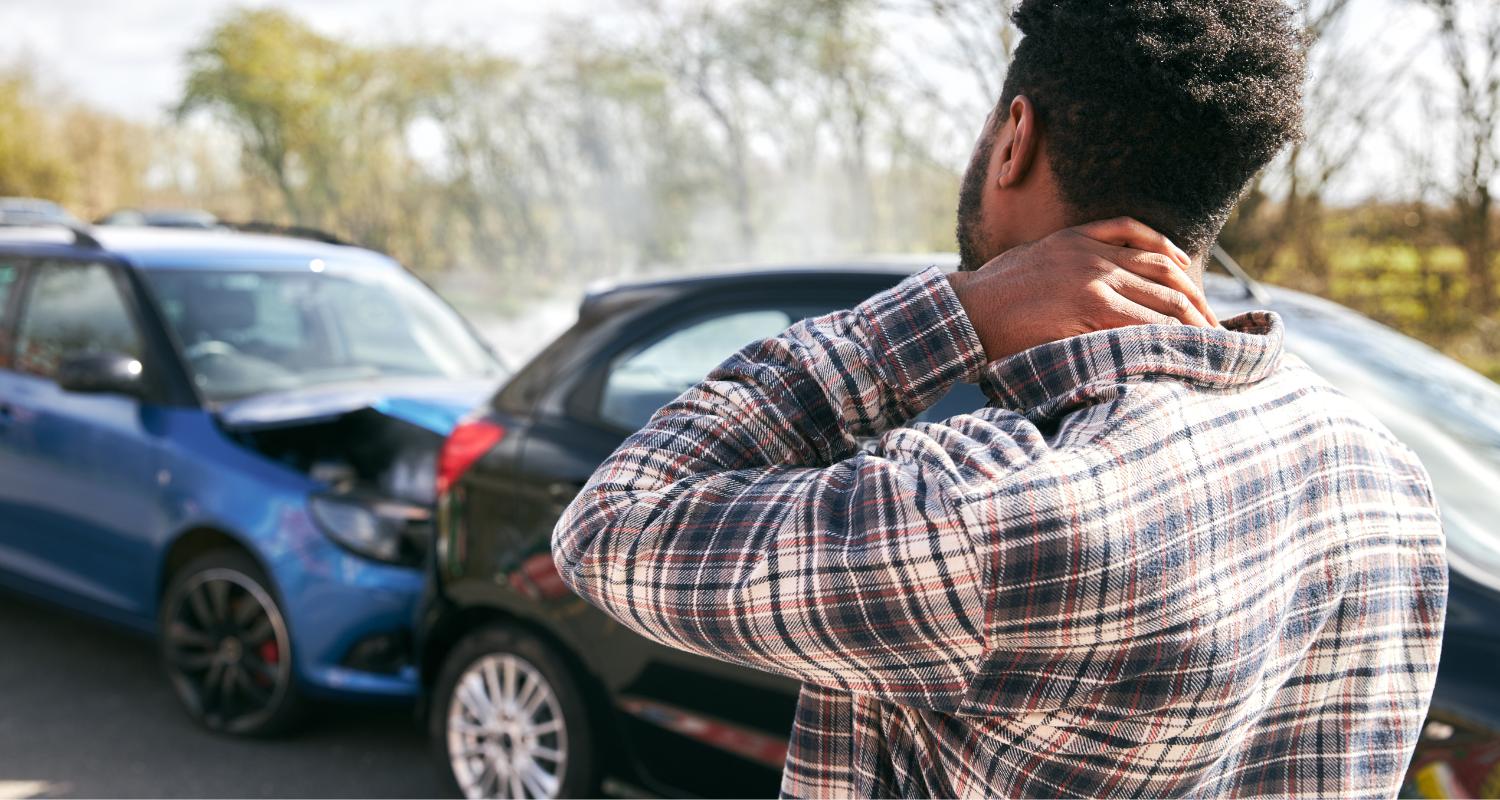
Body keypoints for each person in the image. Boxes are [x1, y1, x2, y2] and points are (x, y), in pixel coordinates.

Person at [553, 1, 1447, 797]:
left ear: (1015, 137)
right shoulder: (1384, 476)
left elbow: (611, 527)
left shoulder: (989, 508)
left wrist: (955, 312)